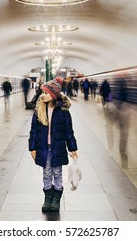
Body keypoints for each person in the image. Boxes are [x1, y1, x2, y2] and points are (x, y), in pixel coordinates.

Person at [28, 77, 78, 212]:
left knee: (57, 173)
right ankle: (48, 197)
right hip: (44, 147)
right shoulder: (39, 111)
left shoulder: (63, 112)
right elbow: (34, 130)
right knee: (46, 173)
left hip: (58, 148)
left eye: (46, 93)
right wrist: (32, 148)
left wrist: (72, 148)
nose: (43, 95)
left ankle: (56, 198)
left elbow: (68, 131)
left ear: (54, 95)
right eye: (42, 92)